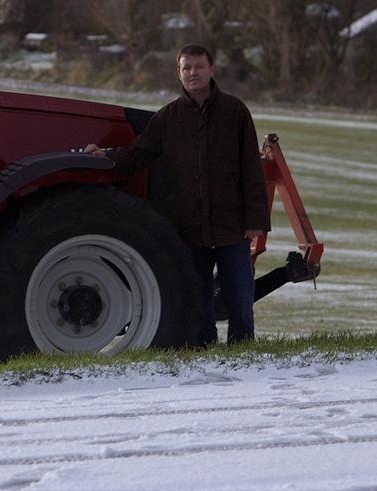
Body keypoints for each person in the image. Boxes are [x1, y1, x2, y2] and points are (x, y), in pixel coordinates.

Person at [83, 44, 269, 346]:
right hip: (188, 226)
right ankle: (202, 346)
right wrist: (105, 156)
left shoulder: (235, 112)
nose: (193, 73)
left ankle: (242, 349)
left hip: (231, 225)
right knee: (198, 296)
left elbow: (251, 167)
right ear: (178, 73)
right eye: (187, 68)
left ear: (211, 70)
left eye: (198, 66)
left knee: (239, 292)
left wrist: (256, 220)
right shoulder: (168, 117)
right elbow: (138, 155)